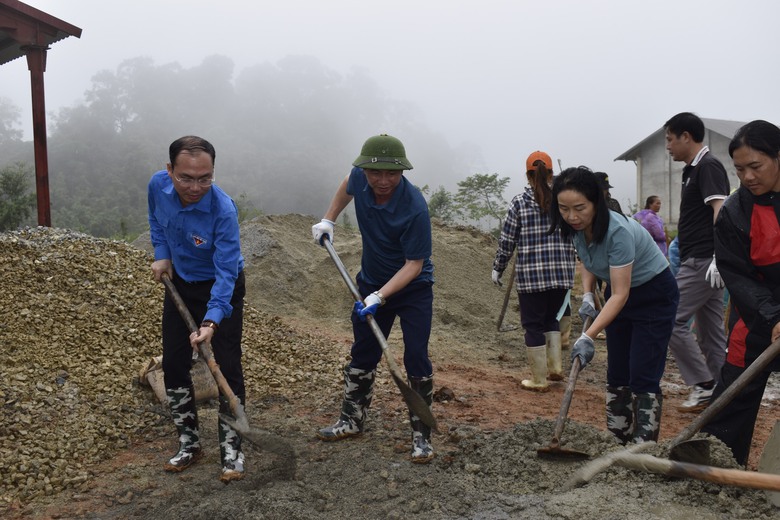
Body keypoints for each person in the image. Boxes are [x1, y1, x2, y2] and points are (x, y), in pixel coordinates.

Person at [311, 134, 436, 463]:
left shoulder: (414, 208)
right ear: (365, 170)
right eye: (375, 173)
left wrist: (380, 296)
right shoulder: (359, 178)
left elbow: (414, 265)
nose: (382, 181)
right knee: (363, 351)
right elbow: (346, 185)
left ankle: (422, 434)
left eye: (391, 174)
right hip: (370, 281)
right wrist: (329, 219)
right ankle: (351, 419)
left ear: (402, 172)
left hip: (413, 290)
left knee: (416, 356)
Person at [549, 166, 679, 444]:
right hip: (620, 296)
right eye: (563, 208)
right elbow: (589, 260)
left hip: (653, 295)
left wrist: (588, 335)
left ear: (596, 201)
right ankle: (617, 439)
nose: (571, 216)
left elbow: (620, 294)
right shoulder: (575, 228)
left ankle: (643, 447)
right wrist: (587, 294)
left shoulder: (617, 230)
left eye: (580, 208)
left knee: (643, 371)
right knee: (618, 370)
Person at [148, 135, 247, 482]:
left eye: (205, 178)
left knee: (226, 365)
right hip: (180, 284)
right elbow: (156, 221)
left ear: (213, 173)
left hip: (222, 288)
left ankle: (232, 447)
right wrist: (162, 253)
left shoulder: (223, 211)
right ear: (169, 171)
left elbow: (226, 272)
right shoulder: (157, 186)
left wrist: (211, 321)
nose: (195, 186)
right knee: (174, 363)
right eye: (186, 178)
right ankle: (189, 442)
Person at [702, 120, 780, 466]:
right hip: (756, 314)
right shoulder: (735, 212)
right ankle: (719, 465)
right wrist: (774, 317)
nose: (747, 176)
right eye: (739, 169)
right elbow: (736, 273)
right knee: (735, 393)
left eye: (756, 166)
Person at [492, 151, 576, 391]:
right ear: (552, 174)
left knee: (533, 325)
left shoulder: (519, 202)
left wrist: (498, 267)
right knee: (552, 318)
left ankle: (539, 380)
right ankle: (555, 368)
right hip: (562, 274)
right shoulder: (563, 201)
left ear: (528, 175)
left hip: (532, 276)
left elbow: (508, 239)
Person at [664, 112, 730, 413]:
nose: (667, 146)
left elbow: (720, 209)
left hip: (704, 260)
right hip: (702, 260)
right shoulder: (691, 170)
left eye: (669, 139)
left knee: (670, 318)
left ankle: (703, 385)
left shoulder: (708, 166)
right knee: (710, 332)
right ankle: (723, 391)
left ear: (685, 137)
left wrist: (719, 256)